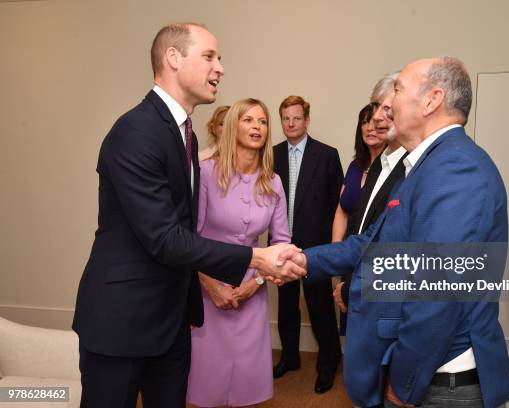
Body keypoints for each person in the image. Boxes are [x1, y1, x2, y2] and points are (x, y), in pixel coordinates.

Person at [72, 23, 304, 408]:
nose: (220, 68)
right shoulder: (136, 131)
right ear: (174, 59)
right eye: (210, 56)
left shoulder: (186, 134)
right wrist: (255, 257)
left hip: (172, 319)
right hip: (124, 321)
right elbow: (165, 238)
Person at [280, 57, 509, 408]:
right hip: (426, 374)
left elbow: (439, 295)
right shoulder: (423, 166)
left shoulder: (456, 168)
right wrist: (300, 259)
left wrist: (403, 385)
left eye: (399, 91)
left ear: (432, 100)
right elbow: (368, 242)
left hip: (440, 383)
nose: (384, 111)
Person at [187, 98, 289, 407]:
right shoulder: (206, 173)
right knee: (205, 383)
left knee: (247, 387)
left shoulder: (273, 182)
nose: (257, 126)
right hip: (207, 289)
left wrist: (253, 285)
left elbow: (280, 242)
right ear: (233, 126)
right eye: (248, 120)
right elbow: (188, 239)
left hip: (252, 290)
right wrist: (212, 286)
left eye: (262, 121)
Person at [272, 95, 343, 393]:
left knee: (320, 307)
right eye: (285, 118)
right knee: (286, 307)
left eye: (296, 118)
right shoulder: (271, 154)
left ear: (306, 120)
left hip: (316, 248)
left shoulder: (327, 154)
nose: (290, 123)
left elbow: (337, 205)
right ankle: (290, 357)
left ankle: (328, 362)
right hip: (280, 244)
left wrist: (331, 246)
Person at [333, 74, 408, 336]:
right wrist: (336, 254)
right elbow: (348, 215)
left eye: (385, 110)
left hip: (382, 280)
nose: (375, 120)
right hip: (355, 260)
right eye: (374, 110)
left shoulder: (409, 167)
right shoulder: (364, 167)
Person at [331, 103, 383, 243]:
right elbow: (342, 211)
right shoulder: (355, 166)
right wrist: (336, 247)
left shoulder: (392, 167)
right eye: (365, 122)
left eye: (375, 123)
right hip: (348, 250)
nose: (370, 128)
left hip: (375, 252)